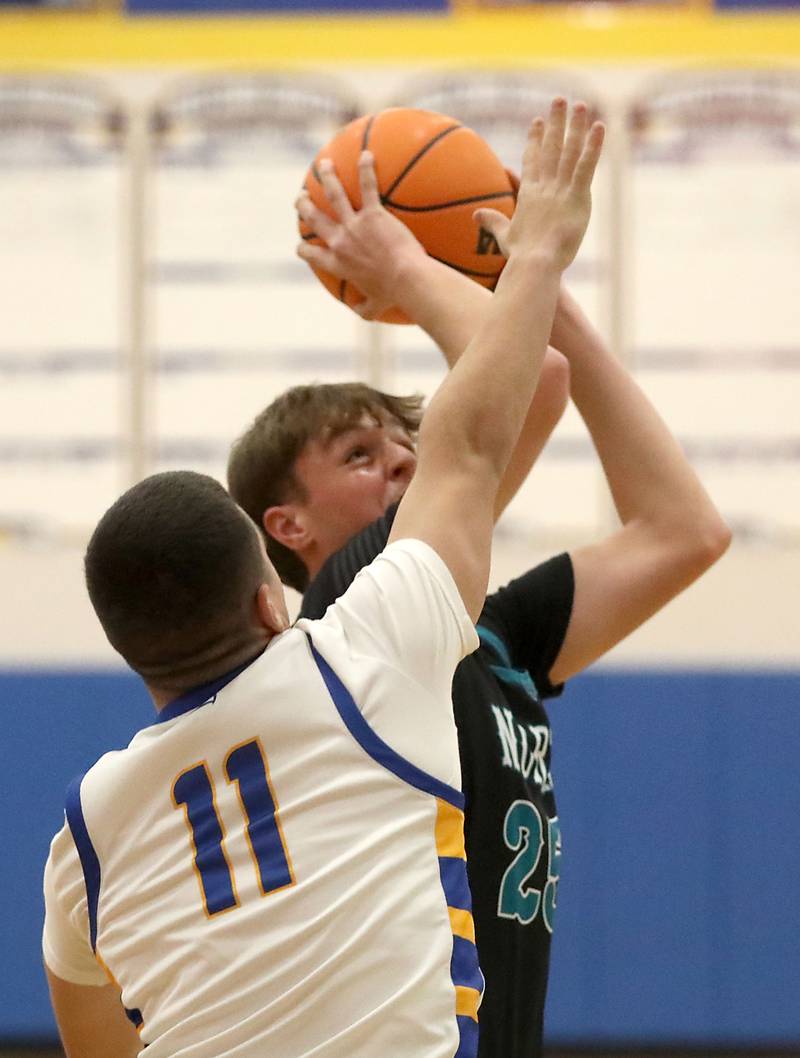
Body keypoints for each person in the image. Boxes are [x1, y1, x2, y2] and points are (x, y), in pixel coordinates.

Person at [42, 99, 605, 1058]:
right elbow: (471, 439)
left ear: (133, 655)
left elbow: (101, 1049)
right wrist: (540, 250)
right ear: (273, 595)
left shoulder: (83, 837)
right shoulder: (365, 651)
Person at [227, 114, 731, 1058]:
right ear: (286, 529)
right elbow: (530, 382)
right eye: (358, 453)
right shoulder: (341, 620)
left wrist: (533, 277)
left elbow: (683, 532)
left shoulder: (489, 634)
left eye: (404, 439)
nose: (403, 460)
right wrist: (423, 266)